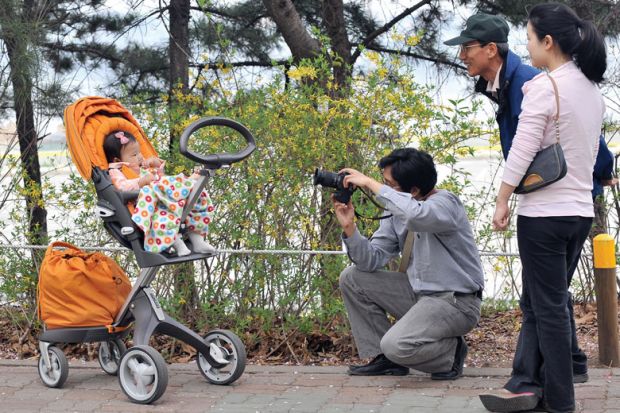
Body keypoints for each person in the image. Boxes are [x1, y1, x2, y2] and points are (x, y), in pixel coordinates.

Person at [444, 11, 613, 389]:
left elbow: (537, 143)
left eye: (467, 48)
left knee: (541, 301)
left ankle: (535, 381)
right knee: (547, 297)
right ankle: (567, 366)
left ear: (491, 50)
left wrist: (602, 170)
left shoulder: (530, 82)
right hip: (569, 200)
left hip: (555, 201)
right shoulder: (507, 84)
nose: (462, 56)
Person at [334, 148, 484, 380]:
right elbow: (370, 260)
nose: (381, 190)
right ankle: (385, 360)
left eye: (388, 185)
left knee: (396, 345)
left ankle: (451, 353)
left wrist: (370, 183)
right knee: (352, 278)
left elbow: (418, 216)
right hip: (418, 295)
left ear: (413, 190)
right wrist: (349, 228)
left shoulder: (446, 204)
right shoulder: (397, 213)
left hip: (455, 302)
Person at [103, 130, 216, 256]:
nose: (140, 156)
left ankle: (198, 240)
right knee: (161, 215)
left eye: (139, 152)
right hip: (148, 202)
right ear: (118, 159)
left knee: (195, 198)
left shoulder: (141, 165)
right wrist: (140, 182)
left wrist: (157, 166)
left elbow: (159, 178)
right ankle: (178, 244)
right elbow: (122, 187)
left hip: (165, 196)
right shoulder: (116, 171)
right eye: (134, 154)